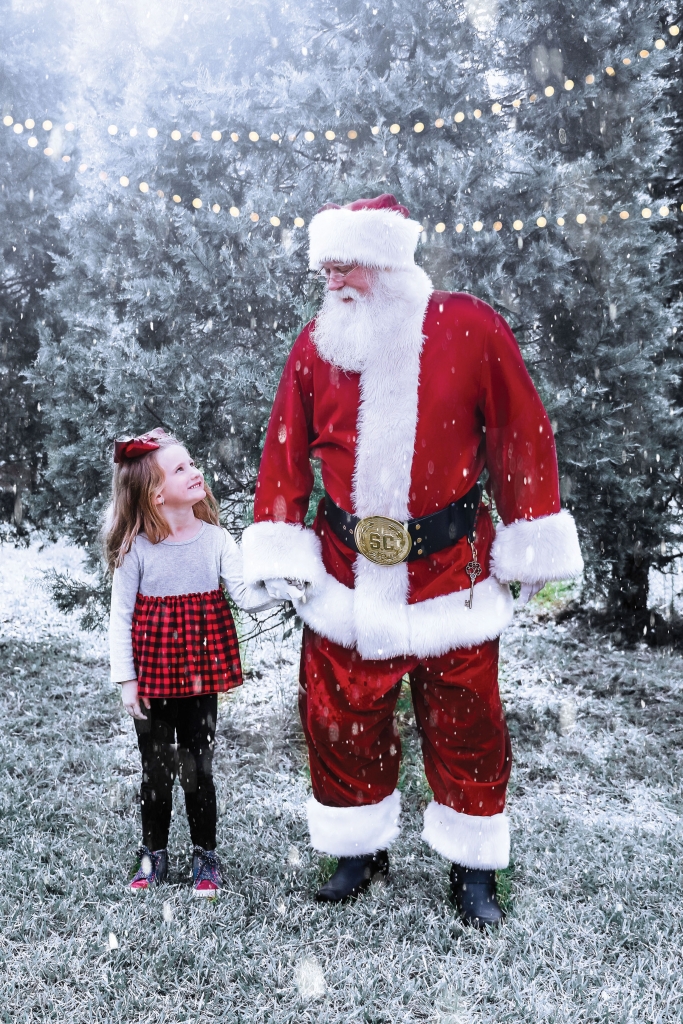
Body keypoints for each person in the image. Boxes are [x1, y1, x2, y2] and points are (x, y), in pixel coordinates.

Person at [242, 194, 583, 926]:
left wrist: (528, 537)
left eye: (347, 263)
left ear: (390, 261)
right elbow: (284, 447)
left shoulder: (469, 328)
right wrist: (281, 541)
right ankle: (358, 849)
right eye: (325, 265)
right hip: (342, 567)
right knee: (339, 717)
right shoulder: (316, 344)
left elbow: (520, 433)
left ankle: (472, 867)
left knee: (467, 721)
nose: (331, 277)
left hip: (449, 574)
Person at [106, 427, 274, 897]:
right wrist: (127, 680)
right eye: (181, 469)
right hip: (153, 677)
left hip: (200, 675)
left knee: (197, 765)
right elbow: (120, 618)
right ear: (156, 494)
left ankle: (206, 856)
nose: (196, 472)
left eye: (193, 463)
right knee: (156, 769)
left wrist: (284, 588)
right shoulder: (137, 548)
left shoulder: (216, 540)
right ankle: (153, 854)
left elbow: (245, 594)